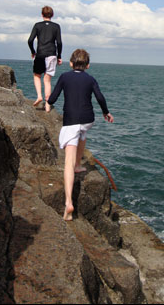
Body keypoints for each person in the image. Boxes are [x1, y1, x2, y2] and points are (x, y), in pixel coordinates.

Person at [46, 49, 114, 221]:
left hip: (71, 121)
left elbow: (53, 97)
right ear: (87, 65)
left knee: (66, 162)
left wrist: (48, 103)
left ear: (71, 63)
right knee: (82, 133)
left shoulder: (64, 77)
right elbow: (100, 97)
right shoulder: (90, 79)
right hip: (87, 120)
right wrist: (106, 112)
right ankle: (78, 164)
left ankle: (69, 202)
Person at [28, 6, 62, 110]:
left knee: (37, 76)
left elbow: (30, 40)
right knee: (47, 80)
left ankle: (39, 96)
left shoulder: (37, 25)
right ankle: (48, 103)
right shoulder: (56, 26)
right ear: (52, 15)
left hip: (40, 54)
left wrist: (33, 52)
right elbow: (59, 42)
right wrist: (59, 56)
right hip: (52, 54)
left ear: (42, 14)